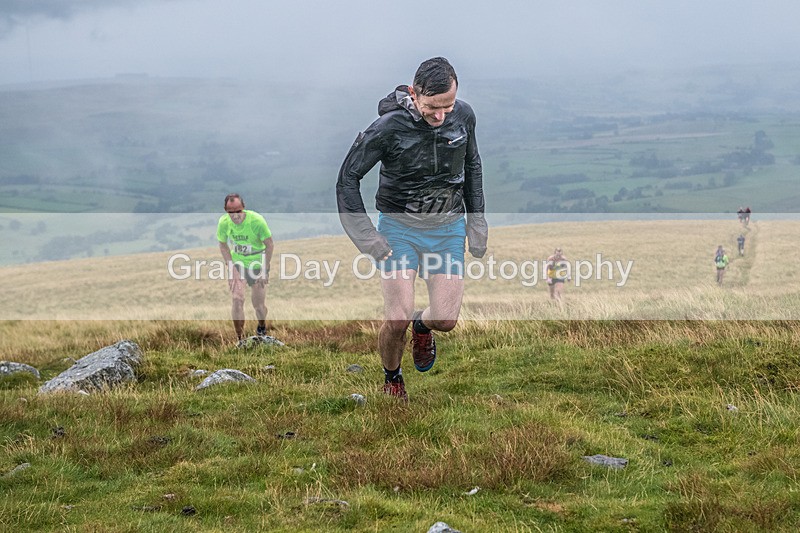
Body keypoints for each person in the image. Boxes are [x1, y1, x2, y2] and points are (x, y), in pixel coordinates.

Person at [336, 57, 488, 401]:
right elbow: (347, 178)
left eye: (448, 106)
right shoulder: (387, 127)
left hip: (447, 228)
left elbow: (473, 164)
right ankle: (392, 377)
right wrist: (367, 238)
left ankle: (423, 325)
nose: (441, 116)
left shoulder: (464, 115)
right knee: (396, 319)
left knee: (445, 319)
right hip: (399, 229)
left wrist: (477, 220)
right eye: (432, 107)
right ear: (414, 93)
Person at [216, 193, 274, 346]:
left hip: (257, 263)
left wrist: (264, 269)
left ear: (244, 208)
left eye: (238, 211)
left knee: (258, 305)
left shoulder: (256, 221)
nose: (235, 216)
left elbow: (269, 245)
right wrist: (231, 267)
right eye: (231, 212)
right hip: (238, 262)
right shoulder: (224, 223)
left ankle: (261, 326)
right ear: (226, 211)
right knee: (237, 299)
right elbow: (223, 244)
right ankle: (240, 339)